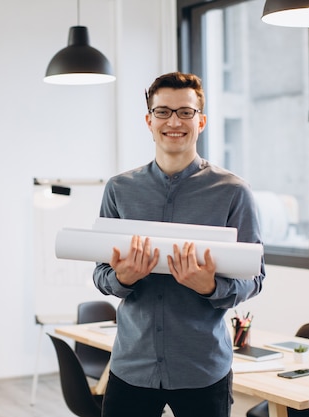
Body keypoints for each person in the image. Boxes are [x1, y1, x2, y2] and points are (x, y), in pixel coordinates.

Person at [92, 71, 266, 417]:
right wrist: (123, 278)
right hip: (132, 365)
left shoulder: (233, 192)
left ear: (201, 121)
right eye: (163, 111)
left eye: (185, 112)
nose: (174, 121)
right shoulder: (119, 190)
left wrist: (211, 286)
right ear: (149, 120)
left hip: (202, 369)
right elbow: (100, 273)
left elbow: (255, 277)